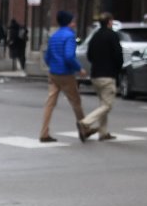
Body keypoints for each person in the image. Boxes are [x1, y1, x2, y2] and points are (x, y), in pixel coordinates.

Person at [39, 9, 87, 143]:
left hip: (53, 73)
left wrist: (53, 65)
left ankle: (44, 132)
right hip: (66, 74)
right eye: (73, 21)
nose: (74, 23)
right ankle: (84, 127)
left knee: (50, 103)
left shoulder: (54, 36)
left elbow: (47, 56)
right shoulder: (69, 36)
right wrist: (79, 69)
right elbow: (69, 56)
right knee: (76, 102)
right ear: (69, 23)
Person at [78, 12, 123, 142]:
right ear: (109, 22)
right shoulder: (112, 36)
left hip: (95, 74)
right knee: (107, 105)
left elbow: (90, 55)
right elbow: (118, 55)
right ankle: (85, 123)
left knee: (103, 104)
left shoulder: (95, 36)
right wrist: (117, 69)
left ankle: (103, 133)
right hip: (108, 75)